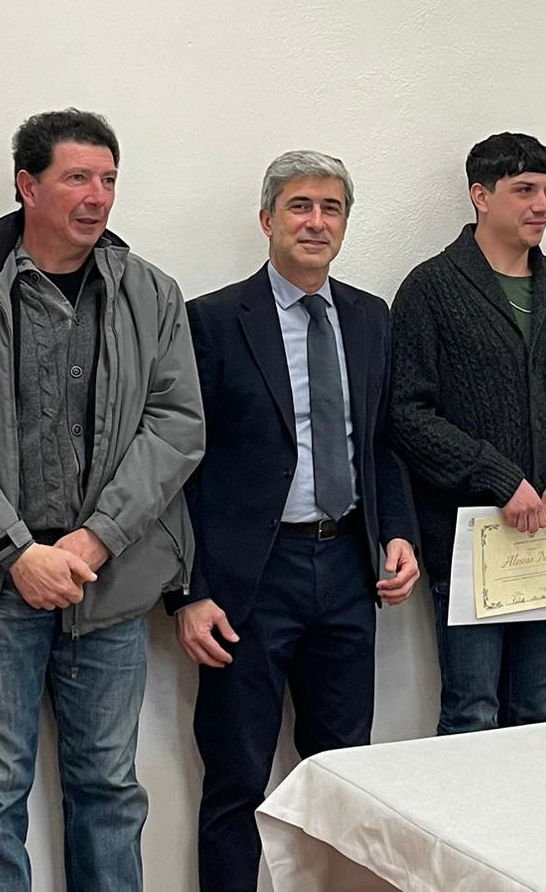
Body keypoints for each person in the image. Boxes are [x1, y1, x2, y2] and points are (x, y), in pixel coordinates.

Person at [0, 109, 204, 891]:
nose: (97, 196)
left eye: (108, 180)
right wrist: (16, 551)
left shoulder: (150, 291)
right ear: (27, 186)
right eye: (77, 178)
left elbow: (177, 424)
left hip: (110, 580)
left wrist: (97, 537)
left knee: (110, 791)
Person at [171, 150, 419, 892]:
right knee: (236, 780)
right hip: (248, 582)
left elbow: (380, 442)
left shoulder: (370, 318)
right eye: (300, 206)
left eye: (331, 207)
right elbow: (179, 464)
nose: (316, 222)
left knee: (345, 775)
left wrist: (397, 533)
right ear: (267, 219)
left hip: (348, 570)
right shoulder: (213, 321)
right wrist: (189, 591)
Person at [389, 132, 546, 733]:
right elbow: (406, 413)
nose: (542, 205)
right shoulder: (431, 288)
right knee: (471, 713)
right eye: (524, 190)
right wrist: (498, 478)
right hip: (470, 538)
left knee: (536, 713)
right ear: (481, 196)